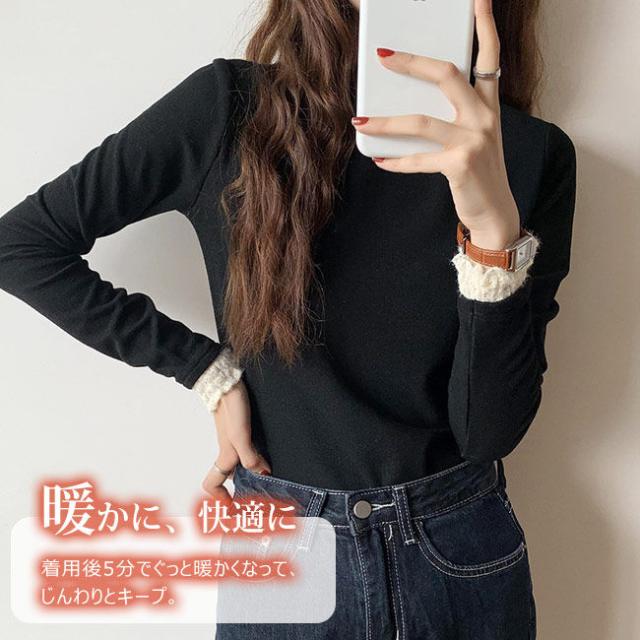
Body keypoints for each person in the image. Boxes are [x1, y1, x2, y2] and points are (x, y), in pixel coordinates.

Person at [0, 0, 576, 637]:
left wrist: (493, 233)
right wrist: (206, 371)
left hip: (457, 553)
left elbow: (488, 433)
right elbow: (21, 247)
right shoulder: (231, 110)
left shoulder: (535, 154)